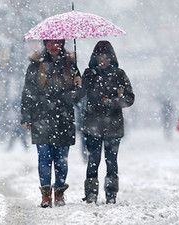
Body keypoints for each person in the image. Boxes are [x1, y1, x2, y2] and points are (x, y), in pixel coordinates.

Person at [20, 39, 81, 208]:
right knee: (44, 157)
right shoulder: (35, 65)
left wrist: (78, 85)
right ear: (45, 44)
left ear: (62, 44)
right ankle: (46, 195)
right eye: (50, 43)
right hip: (41, 117)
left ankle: (59, 192)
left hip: (64, 119)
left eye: (57, 43)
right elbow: (28, 92)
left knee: (61, 159)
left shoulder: (71, 65)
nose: (53, 46)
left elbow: (78, 97)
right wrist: (26, 116)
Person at [79, 40, 135, 204]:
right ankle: (91, 194)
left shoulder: (119, 74)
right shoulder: (89, 74)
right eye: (100, 57)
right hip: (92, 125)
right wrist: (77, 83)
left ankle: (111, 194)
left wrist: (113, 102)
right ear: (95, 58)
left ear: (111, 58)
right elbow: (78, 96)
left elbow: (130, 98)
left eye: (106, 57)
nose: (103, 60)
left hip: (113, 126)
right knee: (93, 161)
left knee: (111, 162)